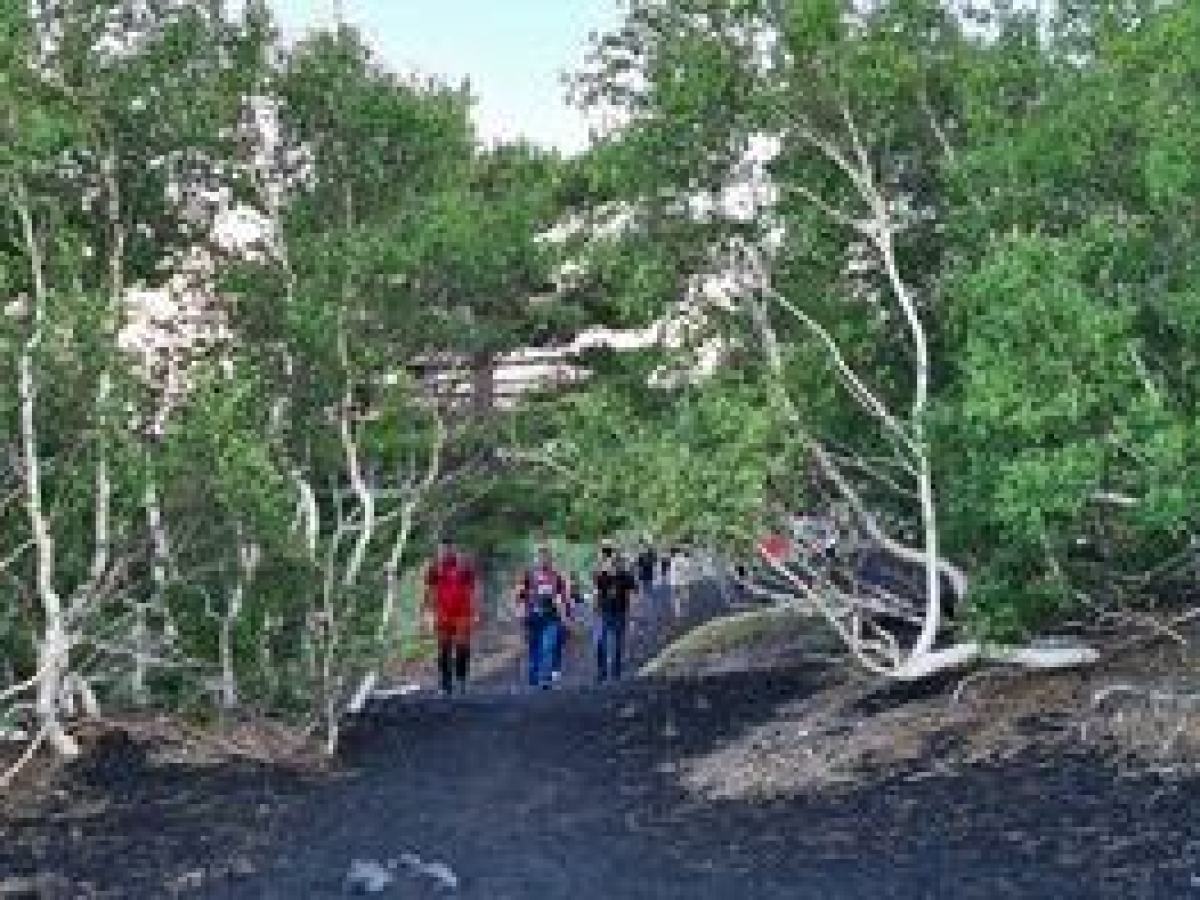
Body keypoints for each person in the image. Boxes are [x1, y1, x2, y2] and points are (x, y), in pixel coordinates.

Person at [423, 537, 477, 696]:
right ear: (439, 550)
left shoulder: (464, 566)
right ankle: (445, 684)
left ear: (453, 549)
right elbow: (427, 589)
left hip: (462, 614)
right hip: (442, 613)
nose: (445, 552)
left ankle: (461, 680)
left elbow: (474, 589)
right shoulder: (434, 568)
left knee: (462, 647)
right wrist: (427, 612)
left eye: (448, 549)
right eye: (442, 550)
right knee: (444, 649)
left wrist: (475, 612)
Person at [516, 544, 567, 689]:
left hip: (551, 617)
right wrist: (521, 611)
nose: (543, 558)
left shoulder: (556, 576)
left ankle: (545, 679)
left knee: (548, 647)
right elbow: (520, 595)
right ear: (536, 558)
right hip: (533, 617)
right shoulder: (528, 574)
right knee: (534, 649)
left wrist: (564, 618)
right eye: (540, 555)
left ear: (550, 558)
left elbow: (560, 597)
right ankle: (533, 679)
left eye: (546, 555)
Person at [593, 543, 637, 682]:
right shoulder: (602, 575)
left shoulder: (626, 576)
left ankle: (616, 672)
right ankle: (602, 671)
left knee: (617, 643)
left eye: (616, 560)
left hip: (620, 612)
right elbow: (597, 590)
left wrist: (633, 614)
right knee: (600, 641)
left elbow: (633, 593)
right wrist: (595, 607)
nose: (613, 562)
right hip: (604, 612)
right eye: (611, 559)